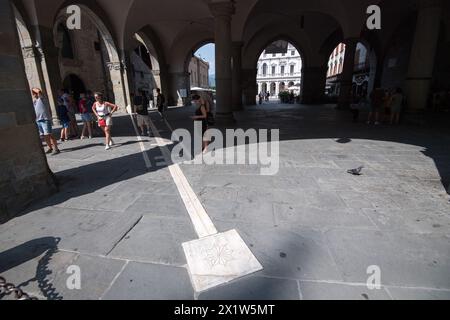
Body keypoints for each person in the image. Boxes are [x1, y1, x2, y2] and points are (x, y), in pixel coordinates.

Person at [32, 88, 60, 155]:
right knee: (44, 136)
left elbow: (39, 91)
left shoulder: (42, 99)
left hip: (45, 119)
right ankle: (50, 148)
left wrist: (34, 89)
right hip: (38, 120)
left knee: (49, 134)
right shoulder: (35, 101)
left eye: (34, 93)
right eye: (33, 93)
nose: (33, 95)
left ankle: (56, 149)